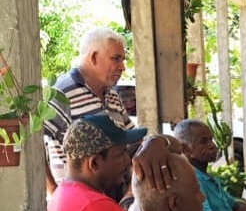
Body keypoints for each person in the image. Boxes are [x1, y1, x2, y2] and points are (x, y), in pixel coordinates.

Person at [44, 27, 174, 199]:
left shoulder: (112, 95)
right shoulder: (62, 94)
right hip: (82, 202)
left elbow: (131, 139)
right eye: (116, 59)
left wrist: (155, 143)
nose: (122, 67)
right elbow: (33, 145)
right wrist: (53, 189)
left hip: (112, 199)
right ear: (94, 57)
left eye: (123, 60)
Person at [173, 119, 246, 211]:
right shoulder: (192, 179)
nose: (212, 145)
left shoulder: (208, 177)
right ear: (185, 149)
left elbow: (233, 202)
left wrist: (244, 208)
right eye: (203, 142)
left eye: (211, 139)